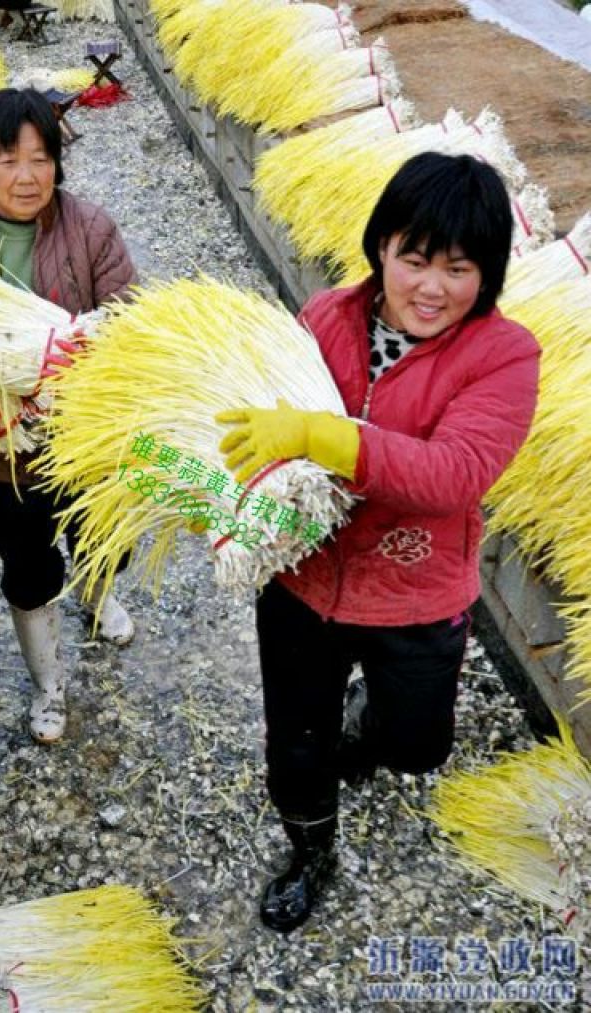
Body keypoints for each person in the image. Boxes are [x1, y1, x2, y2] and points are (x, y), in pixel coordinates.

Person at [216, 152, 541, 933]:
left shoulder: (504, 355)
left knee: (416, 747)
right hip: (302, 581)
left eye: (459, 268)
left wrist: (330, 437)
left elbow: (455, 474)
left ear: (487, 273)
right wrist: (218, 497)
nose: (432, 287)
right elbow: (252, 425)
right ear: (382, 248)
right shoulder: (327, 316)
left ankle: (369, 724)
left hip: (416, 594)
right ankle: (309, 849)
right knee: (297, 743)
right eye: (415, 259)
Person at [0, 88, 138, 745]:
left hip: (87, 432)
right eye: (7, 159)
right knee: (27, 561)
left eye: (39, 158)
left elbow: (131, 314)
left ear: (57, 162)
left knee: (105, 532)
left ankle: (101, 590)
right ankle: (48, 683)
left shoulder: (92, 229)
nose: (26, 176)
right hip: (3, 449)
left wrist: (88, 346)